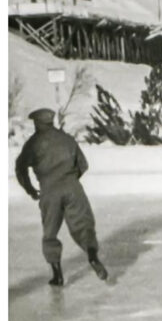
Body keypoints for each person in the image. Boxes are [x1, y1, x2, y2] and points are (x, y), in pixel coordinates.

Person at [15, 108, 108, 286]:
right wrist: (70, 180)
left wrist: (30, 189)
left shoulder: (33, 143)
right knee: (84, 226)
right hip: (73, 188)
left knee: (50, 233)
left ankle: (57, 275)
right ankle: (93, 257)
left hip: (49, 191)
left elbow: (20, 169)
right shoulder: (67, 139)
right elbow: (84, 164)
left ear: (37, 123)